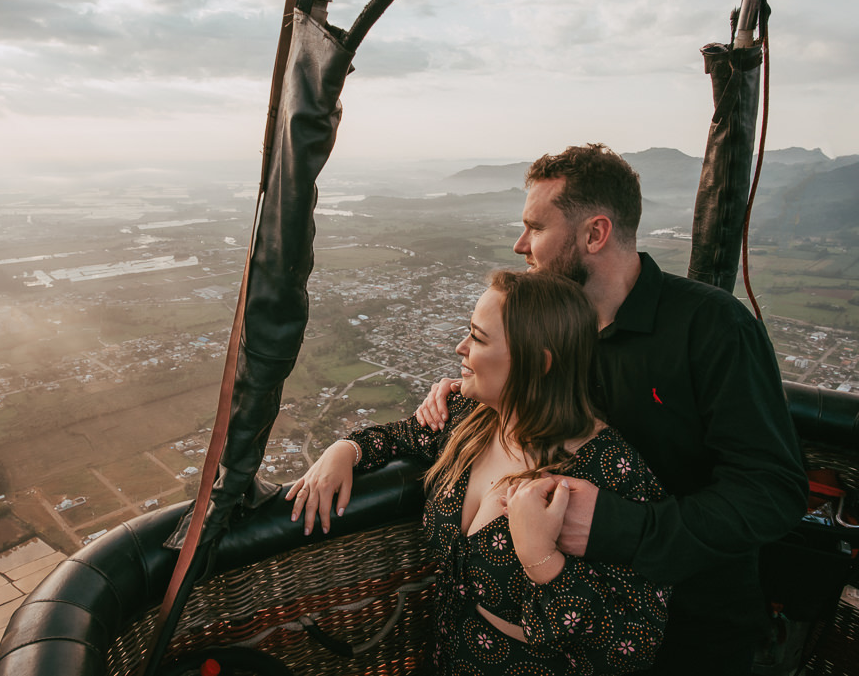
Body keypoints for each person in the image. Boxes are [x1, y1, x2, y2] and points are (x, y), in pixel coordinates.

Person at [414, 144, 808, 675]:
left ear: (595, 234)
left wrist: (622, 528)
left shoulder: (711, 328)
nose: (519, 244)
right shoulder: (549, 336)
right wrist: (468, 393)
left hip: (690, 635)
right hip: (560, 631)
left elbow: (771, 491)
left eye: (535, 228)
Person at [287, 270, 671, 675]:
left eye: (478, 338)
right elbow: (398, 437)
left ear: (537, 363)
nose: (460, 347)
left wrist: (541, 559)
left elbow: (630, 648)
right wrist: (344, 450)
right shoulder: (470, 419)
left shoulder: (609, 471)